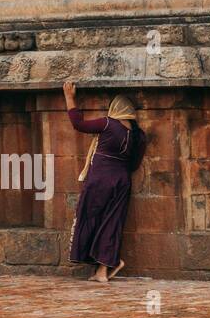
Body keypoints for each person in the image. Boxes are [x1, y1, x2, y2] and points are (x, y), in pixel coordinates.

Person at [63, 81, 147, 283]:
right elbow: (134, 164)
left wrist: (69, 97)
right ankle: (103, 269)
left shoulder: (108, 124)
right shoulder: (138, 134)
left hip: (100, 179)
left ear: (114, 109)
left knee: (91, 219)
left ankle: (106, 266)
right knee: (111, 223)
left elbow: (79, 124)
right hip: (122, 181)